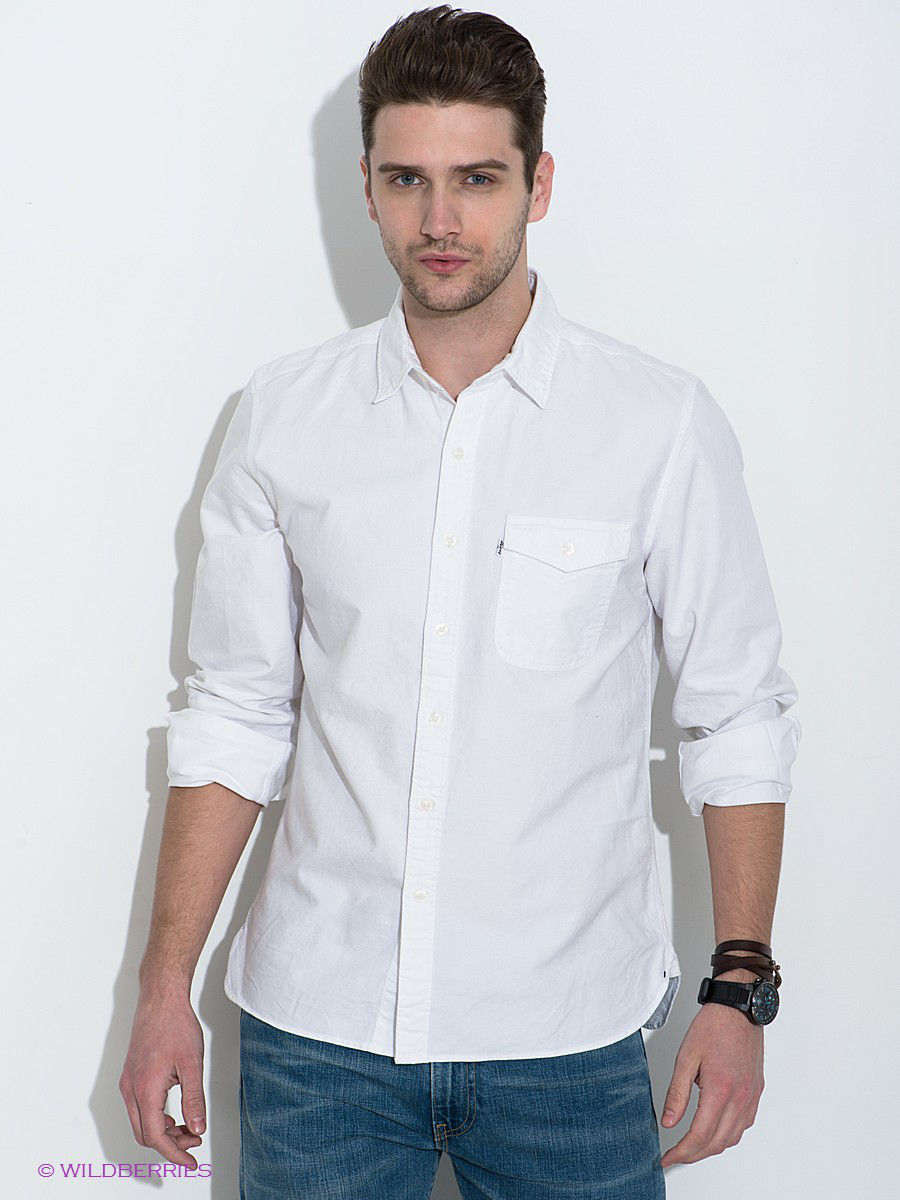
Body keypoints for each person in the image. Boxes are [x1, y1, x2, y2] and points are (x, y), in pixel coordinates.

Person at [119, 6, 801, 1197]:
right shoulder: (283, 418)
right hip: (316, 1035)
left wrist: (737, 992)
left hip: (570, 1036)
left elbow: (736, 714)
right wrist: (163, 986)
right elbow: (234, 713)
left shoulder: (657, 425)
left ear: (540, 183)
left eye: (477, 179)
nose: (440, 221)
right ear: (368, 188)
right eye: (409, 180)